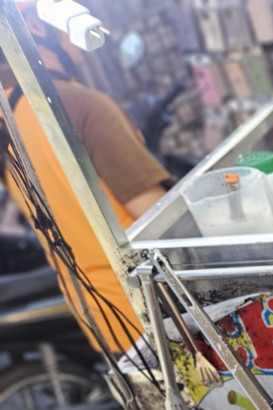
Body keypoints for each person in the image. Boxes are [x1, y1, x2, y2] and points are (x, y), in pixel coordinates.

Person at [1, 9, 169, 355]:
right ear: (35, 26)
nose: (78, 40)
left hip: (104, 319)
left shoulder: (9, 119)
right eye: (68, 17)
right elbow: (159, 219)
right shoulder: (82, 105)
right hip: (159, 316)